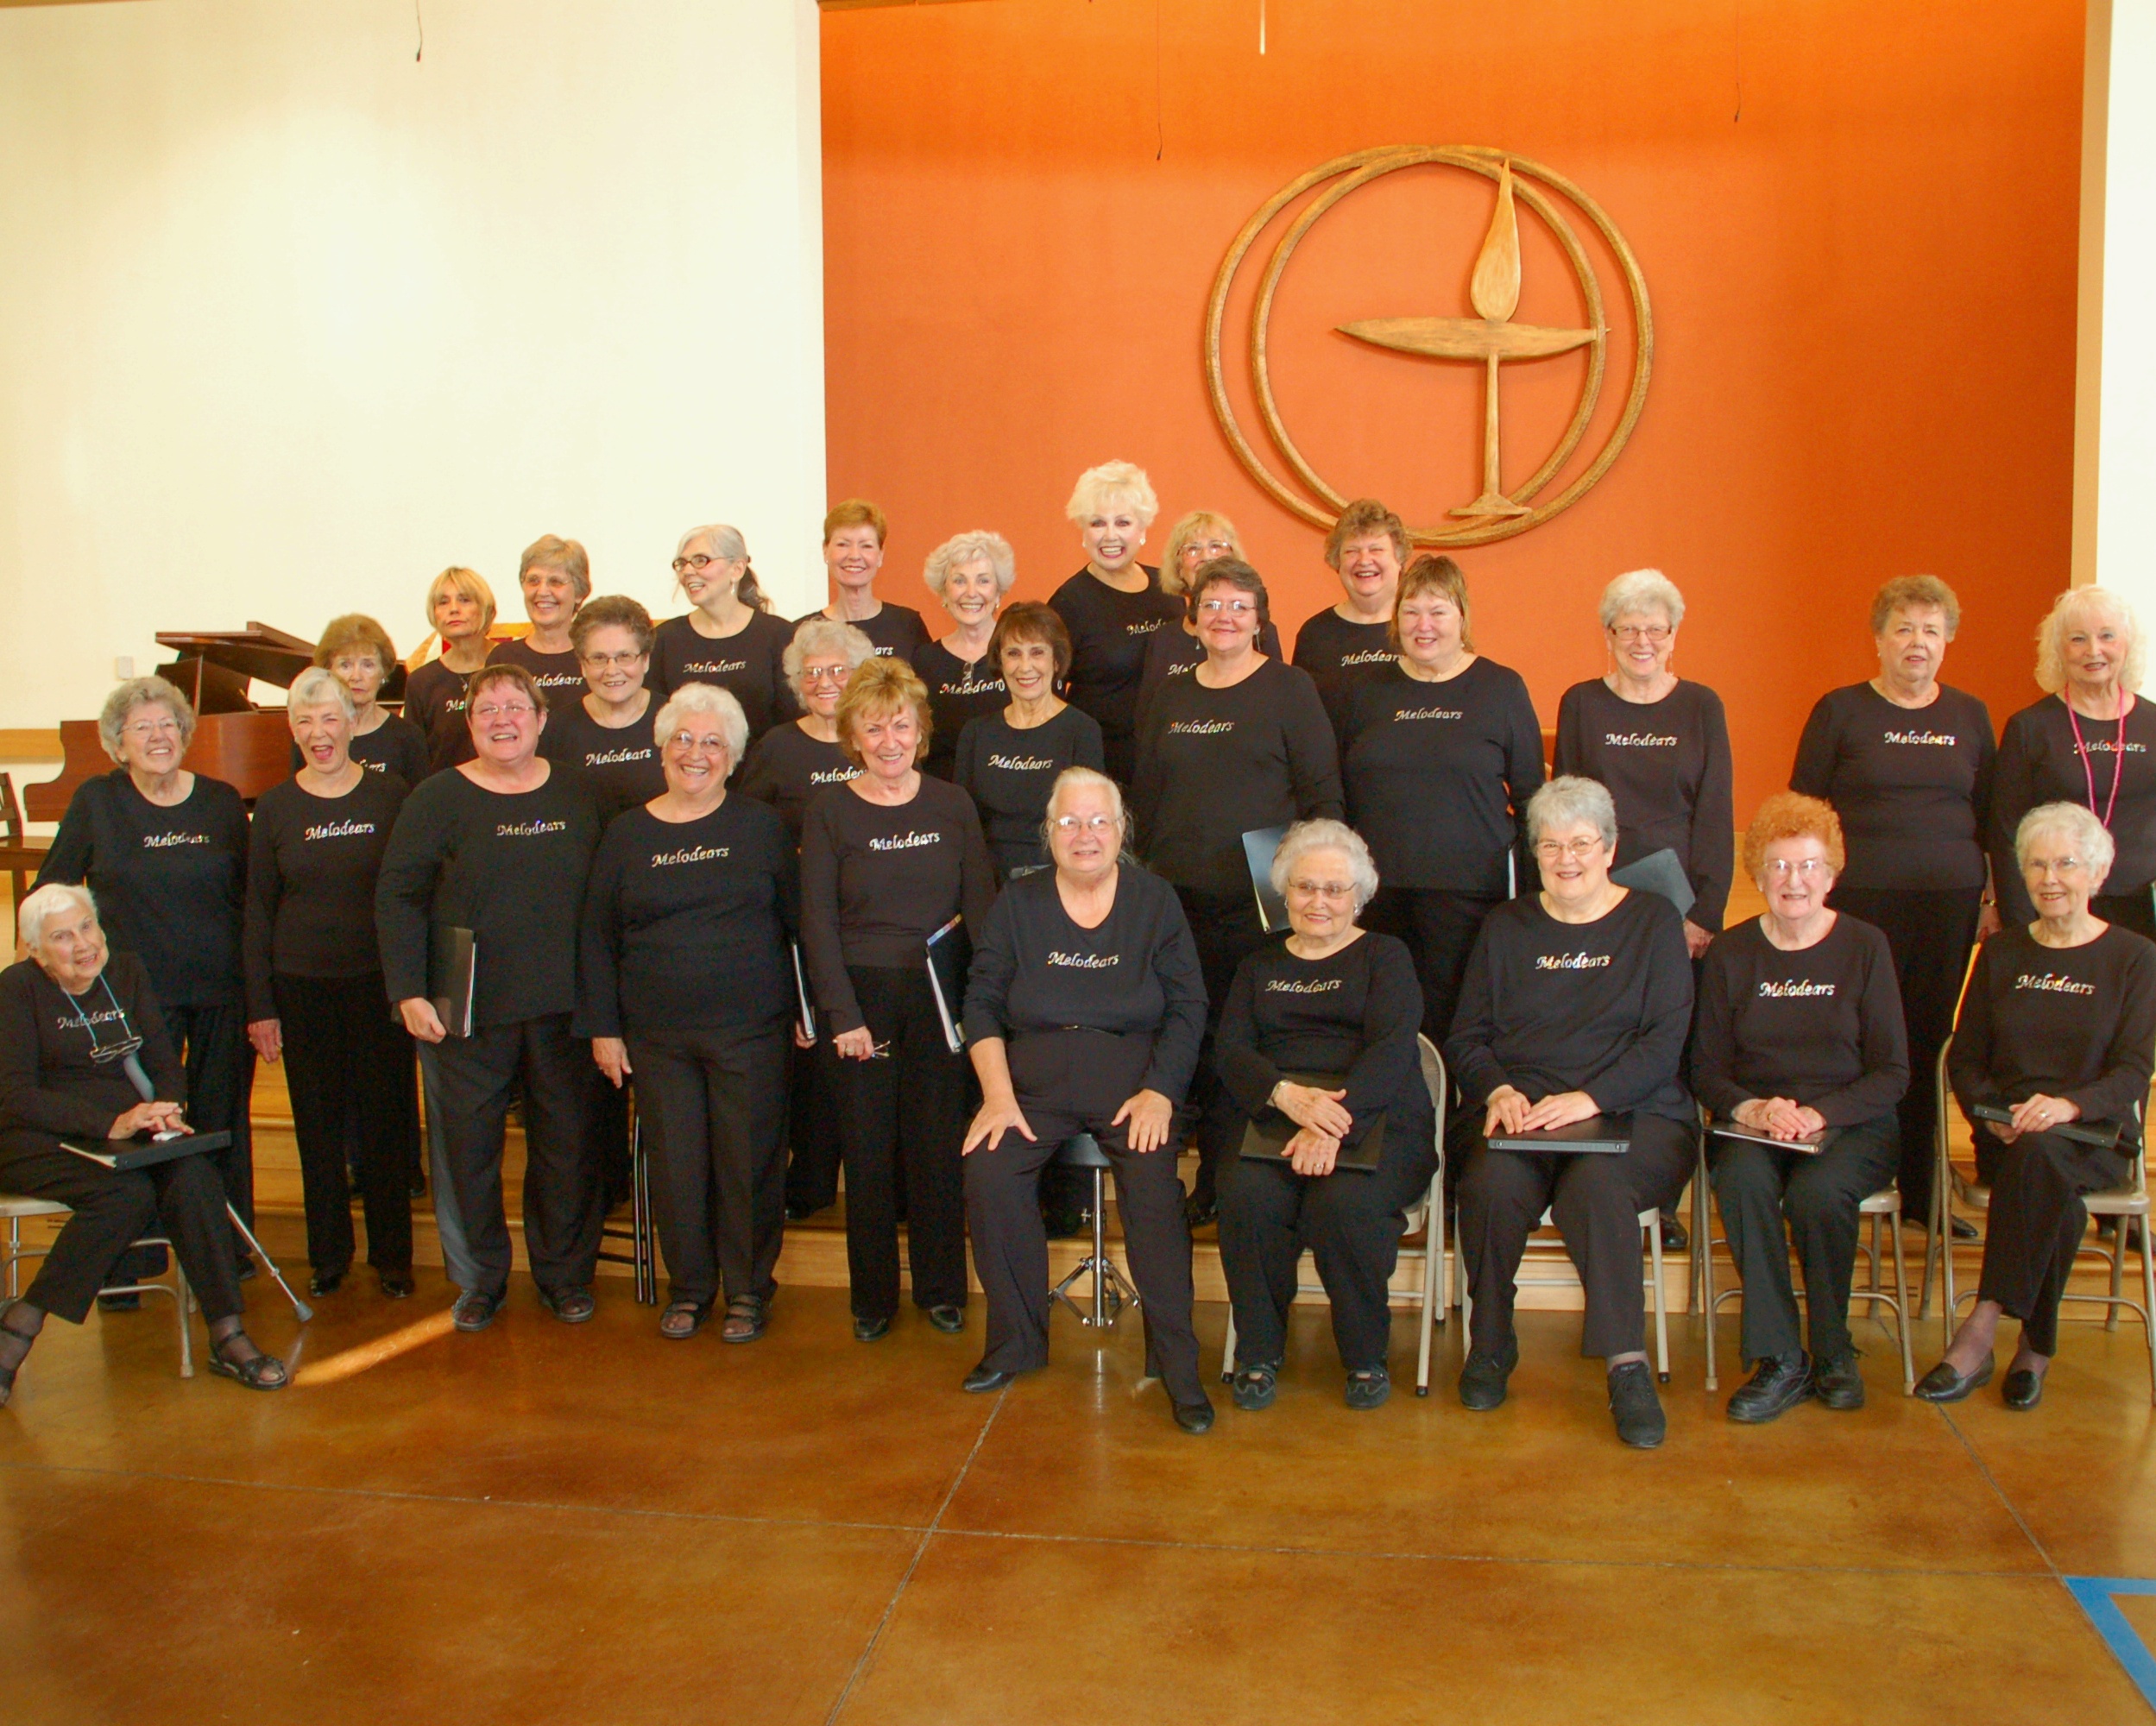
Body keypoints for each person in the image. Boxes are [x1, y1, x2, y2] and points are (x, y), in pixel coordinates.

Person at [1446, 776, 1696, 1448]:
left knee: (1597, 1189)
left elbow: (1665, 1041)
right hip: (1523, 1113)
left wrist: (1591, 1099)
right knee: (1490, 1185)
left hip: (1635, 1113)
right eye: (1551, 845)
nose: (1567, 859)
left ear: (1610, 848)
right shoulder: (1506, 926)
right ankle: (1490, 1342)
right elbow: (1467, 1036)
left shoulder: (1653, 922)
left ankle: (1626, 1365)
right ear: (1534, 854)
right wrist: (1498, 1090)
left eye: (1581, 844)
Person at [960, 767, 1213, 1430]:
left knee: (1154, 1195)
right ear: (1048, 832)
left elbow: (1189, 1006)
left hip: (1133, 1084)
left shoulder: (1155, 900)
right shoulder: (1018, 902)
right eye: (1069, 822)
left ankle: (1177, 1366)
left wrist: (1161, 1091)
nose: (1085, 834)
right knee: (989, 1172)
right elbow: (981, 1002)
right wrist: (996, 1095)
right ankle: (1016, 1343)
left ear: (1122, 830)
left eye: (1099, 821)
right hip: (1031, 1086)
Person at [375, 662, 607, 1332]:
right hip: (464, 1006)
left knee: (566, 1147)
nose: (503, 720)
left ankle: (564, 1276)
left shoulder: (582, 792)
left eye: (515, 708)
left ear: (541, 719)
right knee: (466, 1151)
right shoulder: (435, 798)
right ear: (470, 724)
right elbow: (397, 897)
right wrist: (408, 991)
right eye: (487, 710)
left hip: (565, 1005)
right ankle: (479, 1280)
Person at [0, 884, 286, 1399]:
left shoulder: (125, 972)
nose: (83, 944)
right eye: (62, 937)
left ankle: (227, 1335)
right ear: (36, 952)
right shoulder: (16, 988)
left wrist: (166, 1109)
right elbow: (15, 1095)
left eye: (87, 926)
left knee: (195, 1176)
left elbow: (163, 1062)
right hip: (40, 1136)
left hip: (129, 1130)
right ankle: (22, 1324)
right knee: (126, 1195)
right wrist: (109, 1123)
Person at [579, 684, 798, 1343]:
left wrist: (807, 1009)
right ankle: (691, 1288)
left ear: (733, 757)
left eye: (711, 743)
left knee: (748, 1164)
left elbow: (796, 922)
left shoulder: (761, 826)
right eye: (682, 739)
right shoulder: (626, 833)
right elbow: (597, 937)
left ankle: (749, 1291)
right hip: (657, 1035)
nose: (695, 753)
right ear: (661, 748)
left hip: (750, 1029)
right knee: (677, 1167)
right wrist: (604, 1029)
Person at [1919, 803, 2156, 1409]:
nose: (2050, 878)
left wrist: (2068, 1107)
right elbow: (1965, 1058)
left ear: (2098, 873)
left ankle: (1982, 1325)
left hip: (2095, 1136)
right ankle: (2035, 1346)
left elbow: (2134, 1069)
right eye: (2037, 865)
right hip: (2009, 1136)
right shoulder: (2002, 953)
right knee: (2048, 1179)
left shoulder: (2135, 957)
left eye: (2066, 864)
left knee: (2044, 1153)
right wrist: (1989, 1115)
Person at [1132, 557, 1343, 1225]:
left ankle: (1236, 1179)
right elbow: (1146, 795)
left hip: (1262, 896)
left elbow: (1323, 799)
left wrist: (1315, 891)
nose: (1224, 617)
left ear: (1259, 620)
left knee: (1243, 1038)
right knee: (1185, 1033)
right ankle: (1192, 1179)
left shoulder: (1290, 688)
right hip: (1176, 897)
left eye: (1239, 606)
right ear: (1192, 617)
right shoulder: (1170, 694)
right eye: (1213, 604)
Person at [1693, 794, 1909, 1421]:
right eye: (1780, 866)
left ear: (1832, 874)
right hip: (1757, 1125)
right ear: (1759, 876)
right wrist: (1753, 1109)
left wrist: (1821, 1114)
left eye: (1810, 865)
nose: (1795, 880)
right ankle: (1780, 1358)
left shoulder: (1866, 946)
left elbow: (1893, 1072)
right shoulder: (1731, 953)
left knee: (1818, 1194)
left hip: (1851, 1122)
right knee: (1740, 1180)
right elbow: (1705, 1070)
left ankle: (1833, 1350)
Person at [1790, 575, 1995, 1232]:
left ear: (1948, 640)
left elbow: (1991, 815)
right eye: (1904, 628)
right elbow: (1803, 811)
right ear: (1878, 639)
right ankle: (1856, 1174)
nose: (1918, 642)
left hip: (1948, 905)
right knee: (1862, 1040)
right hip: (1859, 906)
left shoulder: (1969, 716)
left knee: (1928, 1038)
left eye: (1931, 630)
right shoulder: (1841, 711)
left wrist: (1993, 896)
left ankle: (1923, 1187)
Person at [37, 677, 255, 1288]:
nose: (159, 737)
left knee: (221, 1124)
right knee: (137, 1125)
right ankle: (130, 1262)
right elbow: (52, 890)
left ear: (184, 734)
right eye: (142, 728)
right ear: (118, 744)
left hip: (220, 992)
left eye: (168, 725)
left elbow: (251, 899)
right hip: (130, 1002)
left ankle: (227, 1252)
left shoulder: (221, 801)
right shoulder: (97, 802)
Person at [799, 657, 993, 1341]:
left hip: (941, 998)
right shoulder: (829, 810)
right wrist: (842, 1015)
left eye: (901, 726)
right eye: (874, 728)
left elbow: (981, 909)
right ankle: (872, 1299)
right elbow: (817, 923)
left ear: (921, 731)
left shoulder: (952, 804)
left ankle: (942, 1290)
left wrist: (981, 1008)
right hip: (863, 999)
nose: (889, 741)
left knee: (938, 1147)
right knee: (869, 1152)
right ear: (853, 736)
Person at [1214, 821, 1435, 1412]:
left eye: (1335, 889)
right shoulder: (1257, 965)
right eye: (1305, 886)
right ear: (1284, 891)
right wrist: (1285, 1096)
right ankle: (1258, 1352)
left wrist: (1333, 1123)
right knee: (1246, 1198)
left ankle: (1365, 1356)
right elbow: (1231, 1050)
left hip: (1376, 1116)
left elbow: (1392, 1050)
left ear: (1358, 896)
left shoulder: (1386, 956)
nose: (1319, 901)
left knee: (1345, 1205)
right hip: (1278, 1113)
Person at [243, 669, 417, 1301]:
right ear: (292, 730)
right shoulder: (274, 808)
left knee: (385, 1123)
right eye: (304, 721)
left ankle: (392, 1256)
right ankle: (328, 1256)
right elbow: (258, 911)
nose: (319, 733)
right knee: (316, 1127)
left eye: (329, 719)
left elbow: (413, 893)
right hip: (301, 987)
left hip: (379, 985)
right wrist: (261, 1006)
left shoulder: (391, 795)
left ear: (351, 723)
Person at [1343, 552, 1543, 1042]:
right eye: (1411, 611)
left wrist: (1536, 898)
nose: (1423, 625)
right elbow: (1343, 789)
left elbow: (1533, 799)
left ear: (1462, 617)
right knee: (1386, 1020)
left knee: (1457, 1021)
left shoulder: (1500, 688)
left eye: (1438, 611)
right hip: (1379, 894)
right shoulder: (1367, 692)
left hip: (1469, 894)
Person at [738, 619, 873, 1223]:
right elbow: (751, 830)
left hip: (871, 921)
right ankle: (813, 1174)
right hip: (800, 924)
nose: (825, 682)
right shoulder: (777, 747)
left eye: (838, 670)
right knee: (813, 1053)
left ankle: (880, 1179)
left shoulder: (876, 737)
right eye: (812, 672)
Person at [1554, 569, 1733, 958]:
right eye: (1628, 629)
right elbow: (1564, 812)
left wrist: (1705, 914)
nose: (1642, 642)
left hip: (1681, 905)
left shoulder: (1702, 706)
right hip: (1597, 896)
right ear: (1608, 635)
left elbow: (1716, 815)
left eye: (1655, 629)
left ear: (1673, 635)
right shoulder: (1581, 704)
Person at [1990, 587, 2156, 941]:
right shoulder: (2029, 728)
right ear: (2058, 650)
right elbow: (2006, 833)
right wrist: (2019, 924)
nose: (2093, 650)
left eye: (2107, 636)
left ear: (2128, 644)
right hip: (2055, 910)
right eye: (2078, 639)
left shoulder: (2153, 723)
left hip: (2144, 911)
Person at [954, 602, 1105, 882]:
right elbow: (963, 826)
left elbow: (1089, 827)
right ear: (999, 661)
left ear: (1056, 661)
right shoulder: (975, 733)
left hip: (1059, 882)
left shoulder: (1082, 731)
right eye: (1013, 653)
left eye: (1037, 653)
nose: (1025, 667)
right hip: (989, 882)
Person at [1049, 460, 1179, 784]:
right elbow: (1049, 696)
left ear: (1143, 529)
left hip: (1170, 758)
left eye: (1123, 522)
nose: (1110, 535)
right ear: (1083, 531)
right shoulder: (1069, 603)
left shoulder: (1168, 590)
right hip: (1102, 767)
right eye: (1097, 523)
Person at [647, 524, 797, 741]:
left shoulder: (779, 635)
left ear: (737, 569)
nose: (688, 572)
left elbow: (794, 720)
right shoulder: (664, 640)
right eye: (682, 563)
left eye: (701, 560)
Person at [1136, 511, 1281, 713]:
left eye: (1216, 546)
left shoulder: (1258, 631)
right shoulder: (1163, 639)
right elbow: (1148, 715)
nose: (1206, 557)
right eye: (1193, 549)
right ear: (1179, 567)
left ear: (1233, 560)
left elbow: (1278, 703)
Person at [539, 595, 666, 822]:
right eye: (599, 658)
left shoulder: (677, 720)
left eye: (624, 656)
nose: (612, 670)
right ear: (582, 665)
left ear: (645, 660)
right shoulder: (555, 730)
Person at [1293, 497, 1409, 734]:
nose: (1364, 560)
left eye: (1376, 549)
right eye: (1352, 551)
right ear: (1337, 562)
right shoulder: (1315, 634)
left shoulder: (1421, 628)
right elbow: (1300, 723)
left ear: (1399, 559)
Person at [912, 531, 1013, 781]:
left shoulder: (1019, 655)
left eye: (983, 581)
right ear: (944, 592)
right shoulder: (924, 661)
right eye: (959, 581)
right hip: (942, 795)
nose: (971, 592)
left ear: (998, 591)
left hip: (1011, 791)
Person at [796, 499, 929, 662]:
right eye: (843, 544)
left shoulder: (908, 626)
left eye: (866, 546)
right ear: (825, 550)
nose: (854, 555)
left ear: (880, 555)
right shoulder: (804, 632)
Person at [306, 614, 427, 784]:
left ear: (383, 672)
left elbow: (420, 799)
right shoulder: (312, 734)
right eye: (345, 665)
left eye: (368, 665)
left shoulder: (408, 737)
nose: (356, 676)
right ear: (329, 671)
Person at [403, 565, 497, 774]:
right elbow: (414, 759)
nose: (453, 609)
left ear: (487, 609)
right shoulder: (421, 682)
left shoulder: (511, 666)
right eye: (443, 602)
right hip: (444, 792)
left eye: (465, 600)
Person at [488, 534, 593, 706]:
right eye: (534, 581)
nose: (542, 591)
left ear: (580, 593)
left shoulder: (597, 656)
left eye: (555, 582)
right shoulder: (503, 659)